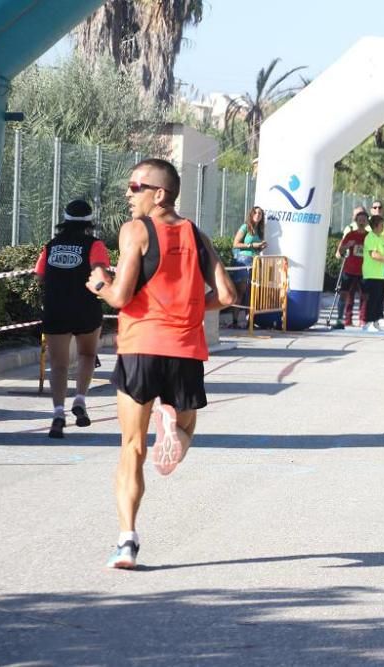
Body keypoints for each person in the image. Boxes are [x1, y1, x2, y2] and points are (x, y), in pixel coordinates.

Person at [85, 158, 236, 569]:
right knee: (186, 427)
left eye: (136, 186)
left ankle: (127, 542)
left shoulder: (136, 231)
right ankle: (175, 432)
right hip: (185, 350)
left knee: (131, 448)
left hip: (140, 348)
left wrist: (99, 282)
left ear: (160, 194)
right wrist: (188, 310)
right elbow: (226, 294)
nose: (128, 193)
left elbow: (119, 297)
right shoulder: (197, 235)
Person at [35, 199, 109, 438]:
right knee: (87, 354)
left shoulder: (51, 245)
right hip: (86, 309)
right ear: (89, 221)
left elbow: (39, 276)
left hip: (56, 310)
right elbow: (100, 272)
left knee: (58, 365)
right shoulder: (94, 244)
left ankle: (58, 413)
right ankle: (80, 399)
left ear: (64, 220)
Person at [230, 206, 267, 327]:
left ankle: (249, 322)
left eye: (260, 214)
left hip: (254, 261)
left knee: (251, 293)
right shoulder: (245, 227)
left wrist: (260, 246)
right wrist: (252, 244)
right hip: (243, 261)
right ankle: (234, 321)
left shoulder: (259, 230)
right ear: (251, 215)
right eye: (255, 213)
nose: (257, 215)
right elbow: (236, 243)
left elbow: (255, 247)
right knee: (240, 290)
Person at [334, 207, 368, 328]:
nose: (362, 222)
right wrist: (348, 245)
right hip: (349, 269)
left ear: (367, 222)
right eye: (360, 220)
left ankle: (363, 319)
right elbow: (340, 250)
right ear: (356, 221)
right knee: (345, 294)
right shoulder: (350, 234)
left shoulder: (369, 236)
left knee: (364, 296)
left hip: (364, 270)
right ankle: (342, 319)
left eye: (364, 220)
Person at [361, 215, 384, 332]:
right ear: (375, 226)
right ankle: (368, 322)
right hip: (371, 274)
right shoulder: (370, 237)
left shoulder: (381, 238)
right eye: (381, 225)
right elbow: (374, 254)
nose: (383, 227)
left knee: (379, 300)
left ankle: (375, 321)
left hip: (381, 274)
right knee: (371, 300)